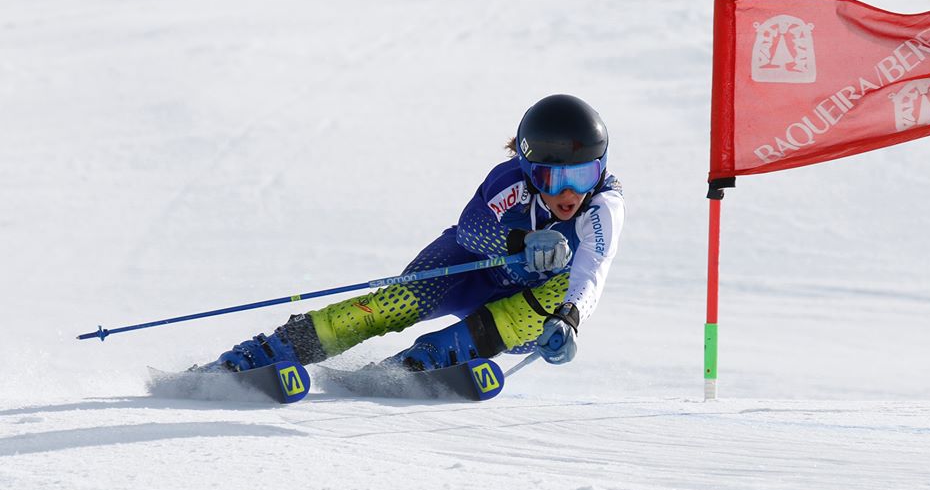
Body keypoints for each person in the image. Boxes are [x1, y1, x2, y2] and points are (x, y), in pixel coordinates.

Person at [208, 94, 624, 373]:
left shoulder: (603, 205)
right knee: (392, 305)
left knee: (563, 284)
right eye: (553, 179)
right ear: (531, 171)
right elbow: (471, 228)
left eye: (585, 174)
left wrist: (570, 320)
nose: (570, 193)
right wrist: (519, 242)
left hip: (519, 311)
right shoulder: (508, 182)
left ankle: (435, 356)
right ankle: (276, 350)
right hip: (470, 270)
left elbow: (593, 269)